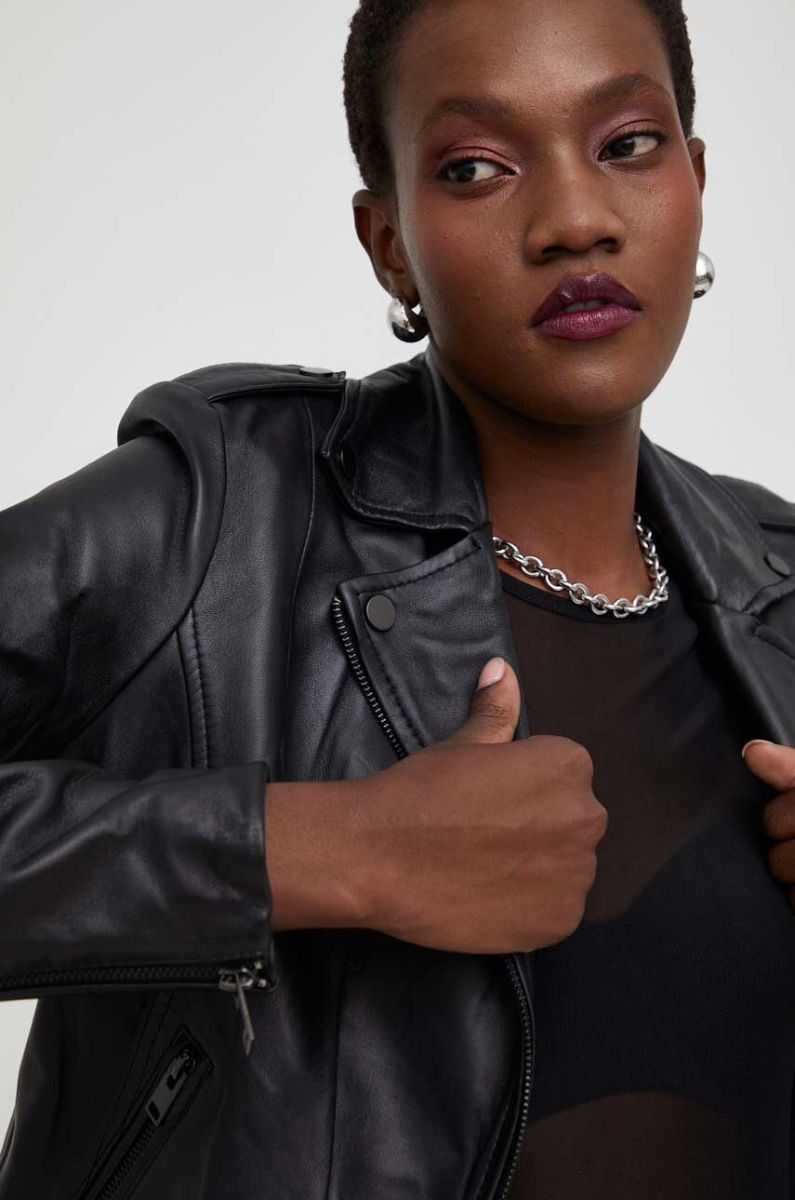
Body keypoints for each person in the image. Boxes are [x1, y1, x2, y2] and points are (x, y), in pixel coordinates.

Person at [2, 0, 795, 1196]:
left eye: (628, 144)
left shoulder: (777, 589)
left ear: (696, 177)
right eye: (476, 167)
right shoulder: (220, 520)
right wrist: (325, 849)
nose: (575, 218)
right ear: (389, 243)